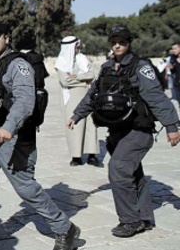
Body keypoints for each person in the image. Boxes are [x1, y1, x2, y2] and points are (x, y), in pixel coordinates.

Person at [0, 23, 79, 250]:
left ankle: (65, 228)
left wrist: (8, 128)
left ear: (7, 38)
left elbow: (25, 101)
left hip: (14, 140)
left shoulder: (18, 65)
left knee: (25, 189)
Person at [69, 25, 180, 238]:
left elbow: (155, 96)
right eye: (114, 41)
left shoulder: (141, 66)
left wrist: (172, 126)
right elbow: (93, 94)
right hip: (118, 131)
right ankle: (144, 217)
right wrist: (77, 115)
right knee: (133, 172)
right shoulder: (107, 67)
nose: (117, 45)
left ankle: (130, 221)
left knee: (118, 168)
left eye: (122, 41)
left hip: (139, 129)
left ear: (129, 43)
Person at [54, 36, 101, 167]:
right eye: (76, 46)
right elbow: (65, 81)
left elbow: (92, 74)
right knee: (74, 125)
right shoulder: (61, 62)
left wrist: (78, 76)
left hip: (88, 95)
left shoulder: (82, 58)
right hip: (71, 97)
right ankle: (76, 157)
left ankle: (92, 155)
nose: (78, 48)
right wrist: (84, 81)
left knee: (91, 124)